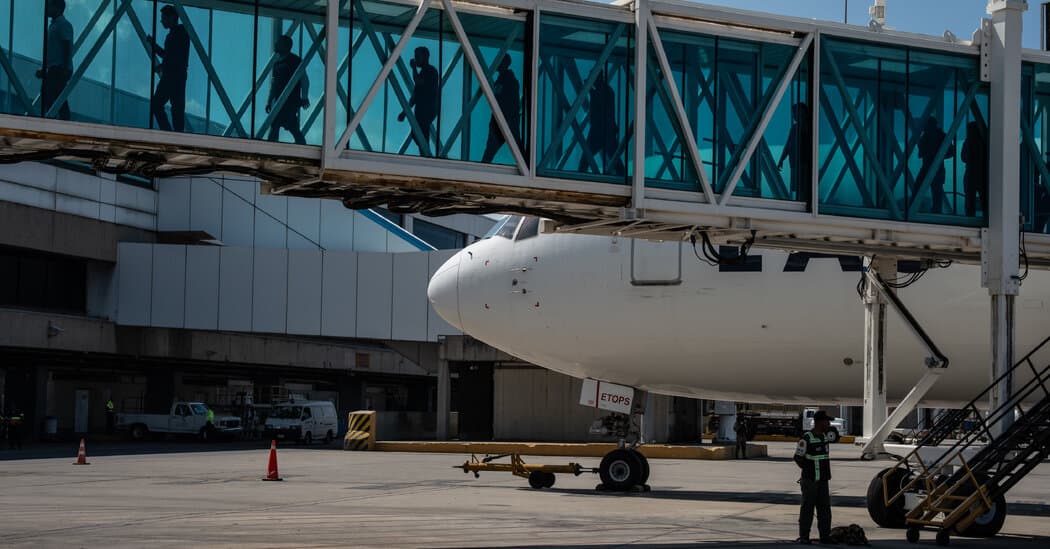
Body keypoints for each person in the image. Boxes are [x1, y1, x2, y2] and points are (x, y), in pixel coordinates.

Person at [794, 410, 836, 545]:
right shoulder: (806, 439)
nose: (828, 423)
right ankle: (804, 536)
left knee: (824, 509)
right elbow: (798, 458)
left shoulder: (824, 438)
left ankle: (825, 536)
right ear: (819, 422)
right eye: (826, 421)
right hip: (810, 480)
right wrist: (808, 471)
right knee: (807, 508)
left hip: (823, 480)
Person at [149, 5, 189, 132]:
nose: (161, 21)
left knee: (159, 105)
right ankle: (173, 135)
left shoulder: (180, 32)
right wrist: (153, 45)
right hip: (176, 76)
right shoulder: (177, 33)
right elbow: (169, 55)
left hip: (173, 76)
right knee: (176, 109)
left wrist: (162, 65)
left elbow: (173, 56)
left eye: (163, 18)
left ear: (171, 17)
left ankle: (169, 133)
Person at [266, 35, 309, 145]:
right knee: (284, 126)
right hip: (280, 103)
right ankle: (301, 147)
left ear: (285, 46)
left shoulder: (294, 61)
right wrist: (269, 101)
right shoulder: (277, 63)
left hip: (289, 102)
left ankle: (269, 149)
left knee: (285, 126)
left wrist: (304, 97)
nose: (275, 45)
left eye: (278, 43)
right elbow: (274, 85)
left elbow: (304, 79)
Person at [579, 70, 622, 175]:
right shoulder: (608, 91)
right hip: (608, 131)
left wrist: (588, 85)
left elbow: (595, 101)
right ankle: (621, 175)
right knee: (615, 160)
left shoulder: (599, 92)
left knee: (584, 160)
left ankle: (579, 179)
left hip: (598, 132)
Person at [398, 47, 439, 156]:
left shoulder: (431, 71)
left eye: (417, 56)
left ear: (425, 57)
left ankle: (426, 156)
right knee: (418, 134)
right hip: (423, 109)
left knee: (421, 134)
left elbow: (419, 83)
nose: (415, 59)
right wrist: (404, 113)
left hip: (426, 109)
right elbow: (415, 96)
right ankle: (425, 155)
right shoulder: (425, 72)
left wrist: (413, 68)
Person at [480, 55, 521, 164]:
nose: (497, 64)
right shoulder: (507, 80)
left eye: (500, 62)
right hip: (505, 120)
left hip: (505, 120)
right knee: (517, 150)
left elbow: (506, 101)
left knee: (490, 152)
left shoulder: (507, 80)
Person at [38, 0, 73, 120]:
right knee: (51, 95)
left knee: (54, 96)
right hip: (54, 69)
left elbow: (67, 46)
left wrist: (66, 67)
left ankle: (61, 123)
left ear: (57, 8)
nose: (47, 8)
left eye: (50, 6)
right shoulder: (54, 25)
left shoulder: (63, 24)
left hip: (58, 69)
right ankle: (56, 121)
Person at [917, 117, 954, 215]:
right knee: (936, 193)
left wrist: (932, 153)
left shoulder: (926, 137)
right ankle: (936, 213)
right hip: (936, 168)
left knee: (920, 190)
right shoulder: (941, 136)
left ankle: (931, 212)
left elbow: (920, 153)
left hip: (928, 168)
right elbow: (951, 152)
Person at [778, 103, 812, 201]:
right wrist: (781, 159)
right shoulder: (794, 128)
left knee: (803, 187)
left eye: (796, 113)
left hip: (804, 163)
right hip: (795, 164)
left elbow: (789, 145)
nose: (794, 116)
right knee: (798, 188)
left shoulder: (808, 127)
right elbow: (788, 145)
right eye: (794, 114)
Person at [960, 121, 988, 218]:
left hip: (971, 175)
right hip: (982, 176)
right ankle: (986, 217)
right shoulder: (985, 142)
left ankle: (969, 218)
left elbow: (963, 157)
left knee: (969, 201)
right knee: (984, 199)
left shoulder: (968, 142)